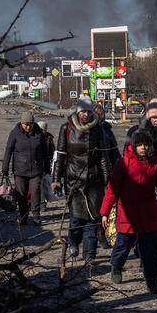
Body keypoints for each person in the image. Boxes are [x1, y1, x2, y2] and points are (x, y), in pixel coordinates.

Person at [101, 130, 157, 294]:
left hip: (148, 213)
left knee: (150, 249)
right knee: (123, 244)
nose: (143, 148)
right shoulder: (123, 164)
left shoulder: (155, 165)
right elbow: (112, 190)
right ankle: (116, 266)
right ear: (134, 146)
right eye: (140, 145)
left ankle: (152, 280)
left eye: (146, 145)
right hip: (128, 212)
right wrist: (105, 212)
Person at [52, 96, 111, 262]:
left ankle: (89, 257)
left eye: (88, 111)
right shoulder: (67, 128)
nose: (85, 114)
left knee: (94, 219)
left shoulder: (97, 129)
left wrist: (108, 182)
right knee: (77, 219)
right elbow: (61, 155)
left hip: (94, 180)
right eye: (83, 111)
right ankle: (73, 241)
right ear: (78, 111)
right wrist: (56, 180)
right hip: (74, 179)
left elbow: (103, 157)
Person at [125, 98, 157, 255]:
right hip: (141, 183)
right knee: (142, 219)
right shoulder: (138, 133)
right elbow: (128, 159)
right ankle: (141, 247)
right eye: (154, 117)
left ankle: (156, 254)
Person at [2, 112, 48, 225]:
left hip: (36, 170)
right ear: (22, 123)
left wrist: (47, 167)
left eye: (30, 124)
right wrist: (5, 167)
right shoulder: (15, 133)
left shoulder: (39, 133)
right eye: (26, 124)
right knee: (21, 195)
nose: (28, 127)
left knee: (35, 192)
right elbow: (8, 150)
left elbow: (45, 152)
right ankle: (23, 216)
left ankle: (36, 216)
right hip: (20, 170)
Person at [94, 103, 121, 168]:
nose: (98, 117)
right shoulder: (87, 130)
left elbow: (114, 152)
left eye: (100, 114)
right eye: (96, 114)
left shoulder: (107, 130)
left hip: (106, 166)